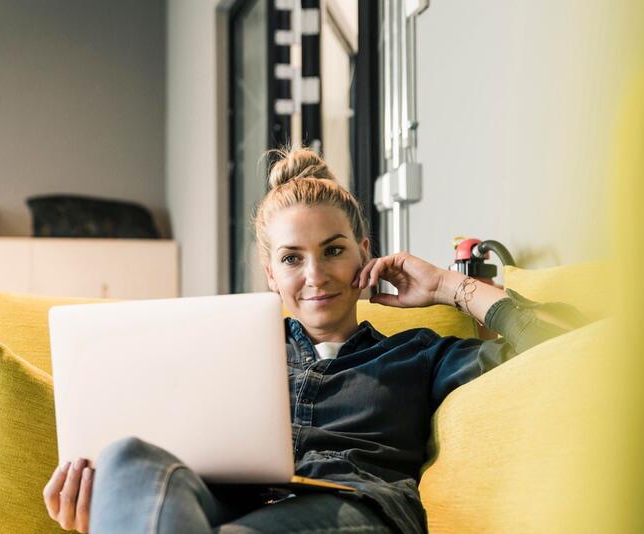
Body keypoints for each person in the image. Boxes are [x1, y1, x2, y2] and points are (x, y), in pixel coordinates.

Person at [42, 147, 579, 533]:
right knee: (126, 458)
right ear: (270, 273)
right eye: (292, 258)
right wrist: (115, 507)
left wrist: (448, 285)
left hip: (354, 508)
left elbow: (569, 349)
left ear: (364, 253)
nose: (315, 275)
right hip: (221, 505)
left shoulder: (419, 354)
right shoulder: (225, 351)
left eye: (334, 250)